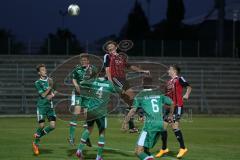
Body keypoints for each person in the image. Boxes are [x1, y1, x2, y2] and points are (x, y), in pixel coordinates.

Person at [122, 76, 174, 160]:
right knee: (146, 150)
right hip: (160, 125)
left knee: (138, 152)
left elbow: (132, 110)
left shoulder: (140, 95)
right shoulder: (158, 93)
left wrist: (125, 122)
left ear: (142, 84)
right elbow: (172, 103)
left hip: (149, 126)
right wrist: (171, 115)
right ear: (152, 84)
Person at [103, 40, 149, 133]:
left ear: (116, 47)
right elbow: (107, 69)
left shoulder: (121, 57)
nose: (109, 48)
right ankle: (141, 115)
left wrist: (142, 71)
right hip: (115, 79)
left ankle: (131, 127)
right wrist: (110, 81)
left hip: (123, 80)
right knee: (133, 99)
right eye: (108, 47)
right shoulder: (107, 56)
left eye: (111, 46)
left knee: (130, 104)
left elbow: (130, 66)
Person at [76, 70, 121, 160]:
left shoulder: (93, 81)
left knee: (88, 129)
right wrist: (112, 80)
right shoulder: (109, 84)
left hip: (91, 110)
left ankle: (79, 150)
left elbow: (81, 83)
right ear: (105, 74)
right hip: (101, 112)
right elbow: (120, 90)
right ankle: (98, 157)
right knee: (102, 133)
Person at [155, 64, 192, 159]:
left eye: (170, 69)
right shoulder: (169, 82)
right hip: (169, 108)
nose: (168, 70)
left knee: (174, 126)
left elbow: (189, 87)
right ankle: (164, 149)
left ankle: (183, 148)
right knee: (162, 127)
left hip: (178, 106)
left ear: (174, 71)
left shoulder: (179, 79)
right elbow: (166, 95)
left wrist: (187, 94)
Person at [68, 55, 98, 146]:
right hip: (78, 94)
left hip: (88, 94)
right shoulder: (77, 69)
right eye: (82, 60)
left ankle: (86, 137)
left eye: (85, 60)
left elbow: (95, 79)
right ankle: (71, 137)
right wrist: (76, 85)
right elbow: (73, 79)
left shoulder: (93, 69)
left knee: (86, 115)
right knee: (76, 112)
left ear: (88, 61)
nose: (83, 61)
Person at [32, 64, 57, 155]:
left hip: (50, 107)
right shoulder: (37, 82)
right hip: (41, 107)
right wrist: (50, 88)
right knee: (42, 126)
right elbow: (43, 95)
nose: (45, 71)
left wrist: (53, 94)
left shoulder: (50, 80)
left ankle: (38, 135)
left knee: (53, 126)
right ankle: (36, 143)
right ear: (39, 73)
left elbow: (56, 90)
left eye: (45, 69)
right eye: (42, 70)